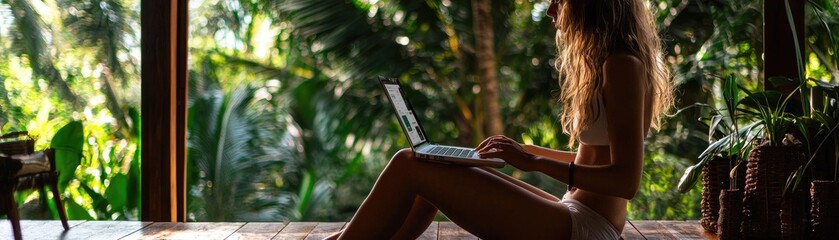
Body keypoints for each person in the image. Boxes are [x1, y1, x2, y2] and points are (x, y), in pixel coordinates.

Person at [326, 0, 673, 239]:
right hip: (575, 212)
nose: (551, 10)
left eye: (559, 0)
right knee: (435, 169)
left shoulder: (622, 65)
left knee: (408, 164)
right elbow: (598, 160)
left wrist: (532, 162)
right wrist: (525, 150)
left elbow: (626, 181)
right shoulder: (611, 62)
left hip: (586, 228)